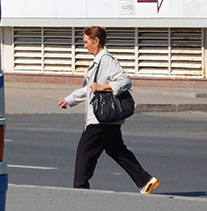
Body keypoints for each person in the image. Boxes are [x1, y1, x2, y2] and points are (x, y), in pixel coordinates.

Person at [59, 25, 160, 194]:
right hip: (106, 119)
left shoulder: (106, 60)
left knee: (85, 153)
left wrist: (102, 87)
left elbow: (125, 81)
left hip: (100, 119)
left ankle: (80, 189)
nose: (84, 46)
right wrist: (69, 100)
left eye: (86, 42)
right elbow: (89, 89)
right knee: (117, 150)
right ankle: (145, 180)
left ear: (96, 41)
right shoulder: (98, 61)